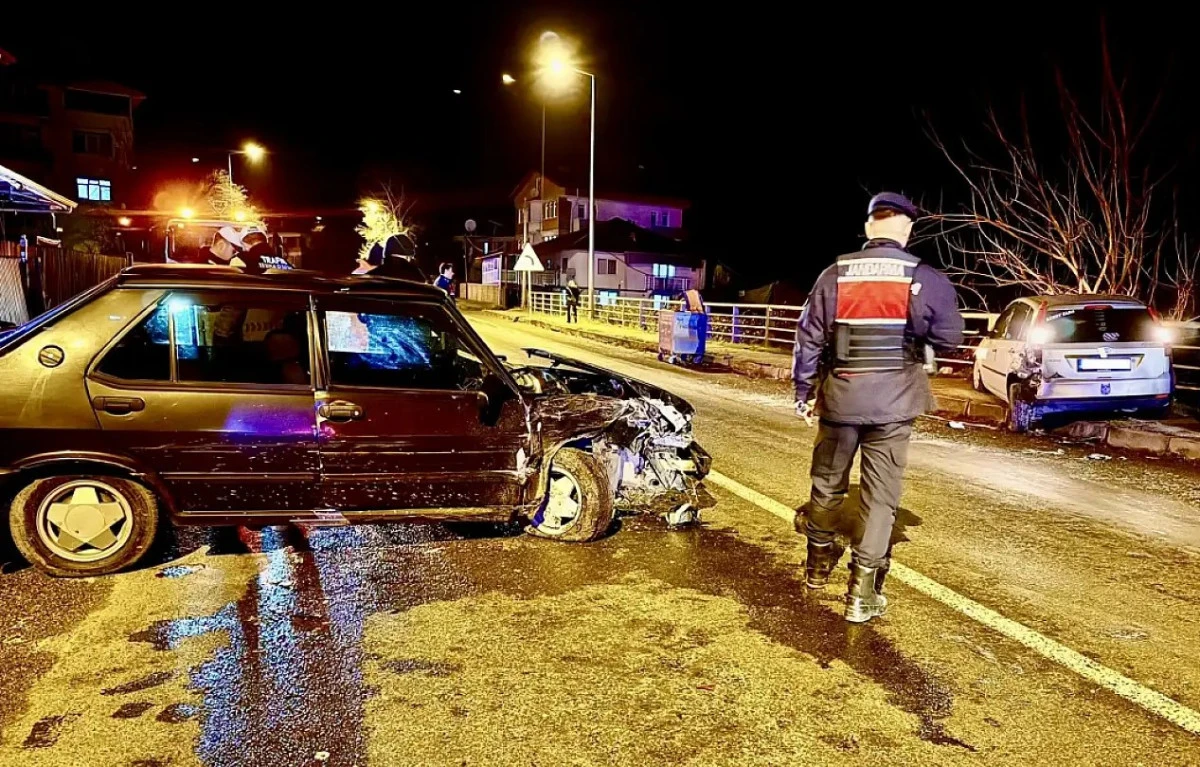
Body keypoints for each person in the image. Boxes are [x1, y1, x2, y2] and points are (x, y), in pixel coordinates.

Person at [792, 192, 964, 623]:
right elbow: (950, 338)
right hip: (893, 402)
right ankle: (860, 593)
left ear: (869, 227)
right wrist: (915, 336)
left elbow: (809, 337)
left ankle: (816, 568)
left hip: (840, 397)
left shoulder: (834, 275)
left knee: (827, 483)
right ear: (906, 229)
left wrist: (803, 390)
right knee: (880, 496)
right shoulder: (923, 276)